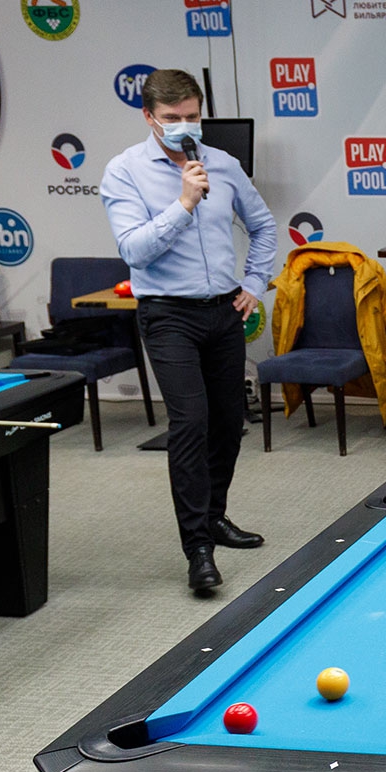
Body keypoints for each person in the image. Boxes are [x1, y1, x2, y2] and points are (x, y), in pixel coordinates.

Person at [99, 69, 279, 596]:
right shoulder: (124, 171)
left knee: (228, 422)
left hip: (223, 311)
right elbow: (133, 250)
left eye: (192, 116)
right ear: (149, 117)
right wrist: (183, 204)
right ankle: (198, 548)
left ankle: (215, 515)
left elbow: (264, 226)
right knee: (191, 423)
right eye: (172, 118)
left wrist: (254, 283)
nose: (184, 126)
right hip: (167, 314)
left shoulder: (223, 164)